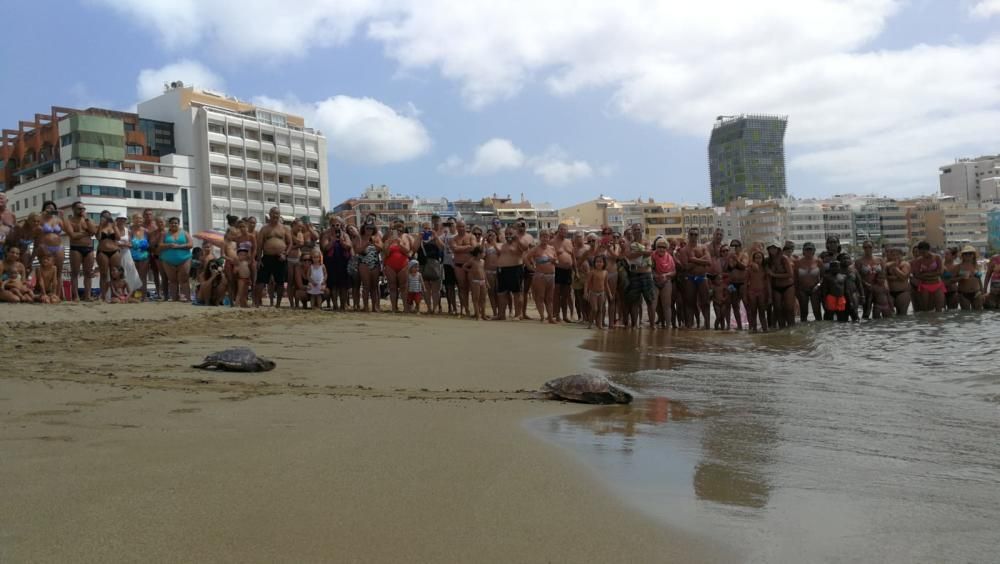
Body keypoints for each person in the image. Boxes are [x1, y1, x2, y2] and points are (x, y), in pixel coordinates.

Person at [255, 207, 291, 308]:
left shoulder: (284, 228)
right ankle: (257, 303)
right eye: (273, 213)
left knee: (280, 282)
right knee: (261, 281)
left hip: (281, 258)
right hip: (267, 257)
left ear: (279, 215)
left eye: (277, 213)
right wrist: (258, 259)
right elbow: (260, 245)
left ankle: (278, 304)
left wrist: (285, 254)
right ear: (270, 214)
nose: (275, 215)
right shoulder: (264, 228)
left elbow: (290, 243)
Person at [676, 227, 711, 329]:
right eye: (691, 234)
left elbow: (709, 262)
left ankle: (707, 325)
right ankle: (690, 325)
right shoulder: (684, 250)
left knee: (705, 302)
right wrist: (701, 261)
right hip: (690, 277)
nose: (693, 236)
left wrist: (694, 260)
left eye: (695, 234)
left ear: (698, 236)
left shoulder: (703, 247)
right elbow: (686, 267)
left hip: (702, 277)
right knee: (689, 302)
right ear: (688, 235)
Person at [624, 223, 656, 329]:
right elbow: (628, 255)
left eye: (638, 229)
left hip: (646, 274)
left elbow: (649, 253)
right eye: (635, 229)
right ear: (632, 231)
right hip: (634, 274)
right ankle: (634, 325)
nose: (637, 231)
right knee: (634, 301)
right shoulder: (629, 244)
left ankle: (652, 325)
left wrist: (638, 252)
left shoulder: (647, 241)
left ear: (641, 230)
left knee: (650, 301)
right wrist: (642, 251)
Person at [65, 202, 97, 301]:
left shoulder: (88, 220)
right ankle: (76, 296)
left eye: (83, 208)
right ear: (73, 209)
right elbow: (72, 236)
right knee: (75, 273)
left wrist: (86, 220)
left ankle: (87, 295)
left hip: (88, 248)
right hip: (76, 248)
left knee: (88, 272)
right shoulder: (69, 221)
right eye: (79, 208)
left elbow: (93, 232)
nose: (82, 210)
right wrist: (86, 233)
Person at [321, 215, 353, 311]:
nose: (335, 227)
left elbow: (349, 246)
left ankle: (343, 305)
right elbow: (325, 247)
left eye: (337, 225)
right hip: (331, 263)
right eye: (333, 225)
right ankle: (335, 305)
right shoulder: (326, 234)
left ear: (341, 225)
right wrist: (333, 240)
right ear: (330, 225)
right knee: (333, 285)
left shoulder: (345, 235)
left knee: (343, 286)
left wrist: (342, 243)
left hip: (343, 262)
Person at [495, 226, 528, 320]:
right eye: (506, 234)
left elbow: (525, 247)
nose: (508, 236)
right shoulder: (504, 245)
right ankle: (501, 315)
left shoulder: (519, 243)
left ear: (515, 234)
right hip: (502, 271)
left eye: (510, 234)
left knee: (517, 293)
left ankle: (518, 314)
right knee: (501, 293)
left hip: (515, 269)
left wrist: (517, 239)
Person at [526, 229, 558, 323]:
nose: (545, 238)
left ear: (549, 238)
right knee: (540, 296)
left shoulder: (552, 248)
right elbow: (526, 258)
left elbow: (556, 261)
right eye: (543, 236)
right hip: (541, 276)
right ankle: (542, 317)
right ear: (540, 237)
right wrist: (531, 268)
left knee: (550, 298)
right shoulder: (536, 249)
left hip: (551, 275)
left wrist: (554, 261)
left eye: (546, 236)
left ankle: (550, 317)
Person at [158, 217, 193, 301]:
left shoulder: (184, 233)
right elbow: (160, 245)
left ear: (178, 224)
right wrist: (169, 245)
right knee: (172, 280)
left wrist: (179, 246)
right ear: (169, 224)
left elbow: (191, 244)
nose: (173, 224)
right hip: (167, 260)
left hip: (184, 259)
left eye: (175, 223)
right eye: (172, 223)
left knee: (184, 279)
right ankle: (174, 298)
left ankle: (186, 297)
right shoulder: (164, 233)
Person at [385, 219, 415, 313]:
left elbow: (408, 251)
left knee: (404, 287)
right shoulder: (389, 238)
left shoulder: (406, 237)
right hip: (390, 265)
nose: (398, 232)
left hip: (403, 264)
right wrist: (390, 243)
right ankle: (394, 307)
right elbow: (386, 253)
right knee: (392, 287)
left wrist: (399, 243)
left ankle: (406, 308)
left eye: (400, 230)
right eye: (396, 229)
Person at [416, 221, 444, 314]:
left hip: (434, 264)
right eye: (425, 228)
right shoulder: (420, 238)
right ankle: (429, 307)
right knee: (426, 288)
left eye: (429, 228)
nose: (427, 230)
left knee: (436, 289)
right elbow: (414, 248)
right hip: (423, 264)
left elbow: (442, 248)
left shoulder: (435, 238)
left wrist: (435, 237)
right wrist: (419, 238)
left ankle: (435, 308)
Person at [766, 241, 795, 329]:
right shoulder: (768, 260)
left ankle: (792, 328)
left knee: (789, 309)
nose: (772, 249)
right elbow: (768, 277)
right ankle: (782, 329)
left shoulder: (784, 258)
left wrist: (774, 275)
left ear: (778, 249)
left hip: (788, 286)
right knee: (777, 309)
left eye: (774, 247)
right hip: (776, 287)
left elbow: (790, 274)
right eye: (770, 248)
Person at [450, 219, 477, 317]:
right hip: (459, 265)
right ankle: (465, 308)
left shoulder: (471, 236)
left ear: (466, 227)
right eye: (459, 226)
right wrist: (467, 247)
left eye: (463, 226)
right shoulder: (453, 238)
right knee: (462, 287)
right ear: (456, 227)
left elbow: (474, 248)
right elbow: (454, 249)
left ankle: (476, 309)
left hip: (470, 265)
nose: (461, 228)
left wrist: (460, 248)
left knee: (473, 287)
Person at [910, 241, 945, 312]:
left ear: (929, 250)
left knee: (939, 309)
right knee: (926, 310)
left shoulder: (937, 257)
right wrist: (933, 274)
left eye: (924, 252)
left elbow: (940, 272)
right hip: (925, 286)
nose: (922, 254)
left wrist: (926, 274)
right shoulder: (919, 260)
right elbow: (917, 275)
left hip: (937, 284)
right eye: (921, 252)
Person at [95, 211, 123, 299]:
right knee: (103, 274)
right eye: (104, 216)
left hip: (114, 251)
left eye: (108, 216)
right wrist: (100, 225)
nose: (107, 218)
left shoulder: (114, 226)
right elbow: (98, 237)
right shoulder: (99, 226)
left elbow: (118, 237)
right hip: (102, 251)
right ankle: (103, 295)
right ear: (101, 217)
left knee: (115, 275)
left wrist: (114, 225)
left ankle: (114, 295)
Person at [357, 219, 382, 312]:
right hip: (363, 263)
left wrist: (374, 243)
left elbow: (381, 248)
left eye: (371, 228)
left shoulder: (377, 237)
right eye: (367, 228)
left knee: (374, 287)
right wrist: (365, 245)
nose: (369, 230)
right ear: (364, 228)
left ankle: (374, 306)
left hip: (375, 263)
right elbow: (357, 250)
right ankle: (366, 306)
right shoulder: (359, 237)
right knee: (366, 286)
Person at [854, 241, 883, 319]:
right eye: (865, 247)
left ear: (873, 247)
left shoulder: (879, 260)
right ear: (863, 248)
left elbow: (883, 274)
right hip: (866, 288)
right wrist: (865, 284)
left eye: (870, 247)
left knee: (880, 310)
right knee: (866, 311)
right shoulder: (859, 261)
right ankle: (866, 329)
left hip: (878, 287)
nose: (868, 249)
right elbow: (857, 276)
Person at [551, 224, 574, 322]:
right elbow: (549, 255)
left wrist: (576, 270)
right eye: (561, 230)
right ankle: (556, 315)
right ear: (558, 230)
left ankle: (565, 315)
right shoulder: (552, 242)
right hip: (557, 270)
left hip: (568, 270)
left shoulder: (569, 242)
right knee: (556, 294)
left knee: (566, 294)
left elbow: (573, 256)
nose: (563, 231)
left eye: (565, 230)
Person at [652, 237, 676, 329]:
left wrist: (666, 275)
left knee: (667, 306)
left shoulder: (669, 257)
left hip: (666, 281)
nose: (661, 249)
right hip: (654, 281)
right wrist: (655, 275)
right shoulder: (652, 256)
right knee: (653, 305)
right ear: (656, 247)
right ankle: (652, 325)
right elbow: (649, 269)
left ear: (666, 248)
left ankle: (668, 326)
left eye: (663, 247)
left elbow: (674, 272)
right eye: (659, 247)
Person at [126, 213, 151, 300]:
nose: (139, 220)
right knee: (133, 276)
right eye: (136, 218)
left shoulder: (146, 231)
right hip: (132, 256)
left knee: (143, 277)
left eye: (140, 219)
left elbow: (150, 244)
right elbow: (128, 242)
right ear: (133, 219)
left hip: (144, 256)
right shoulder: (129, 231)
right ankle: (133, 295)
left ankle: (143, 295)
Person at [746, 250, 769, 332]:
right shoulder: (749, 269)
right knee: (753, 312)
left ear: (763, 259)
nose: (758, 259)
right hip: (752, 292)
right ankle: (754, 329)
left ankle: (765, 329)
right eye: (756, 258)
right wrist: (746, 296)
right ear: (753, 259)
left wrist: (768, 295)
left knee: (762, 312)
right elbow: (745, 283)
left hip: (762, 292)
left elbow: (767, 283)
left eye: (760, 258)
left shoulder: (765, 269)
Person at [586, 255, 611, 329]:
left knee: (600, 309)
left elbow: (606, 284)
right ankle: (590, 324)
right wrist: (585, 292)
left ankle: (599, 325)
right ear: (594, 263)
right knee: (594, 309)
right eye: (597, 262)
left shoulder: (605, 272)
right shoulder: (592, 272)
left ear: (604, 263)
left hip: (602, 293)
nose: (599, 263)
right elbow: (587, 282)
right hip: (593, 292)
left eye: (600, 262)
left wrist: (609, 293)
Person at [885, 247, 912, 316]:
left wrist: (895, 268)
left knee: (902, 315)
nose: (895, 256)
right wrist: (895, 277)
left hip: (902, 292)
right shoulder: (886, 264)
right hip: (889, 293)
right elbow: (882, 277)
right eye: (893, 255)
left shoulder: (905, 264)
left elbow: (903, 277)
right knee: (887, 315)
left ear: (901, 255)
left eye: (897, 255)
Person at [956, 246, 984, 310]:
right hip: (963, 294)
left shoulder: (977, 266)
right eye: (966, 254)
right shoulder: (958, 267)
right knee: (966, 315)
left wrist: (983, 293)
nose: (968, 255)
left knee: (977, 315)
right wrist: (961, 277)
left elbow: (979, 280)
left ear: (973, 255)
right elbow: (951, 281)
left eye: (970, 253)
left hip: (977, 292)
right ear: (962, 256)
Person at [464, 246, 488, 320]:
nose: (484, 254)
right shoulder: (472, 260)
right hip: (475, 281)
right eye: (483, 253)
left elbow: (484, 272)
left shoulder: (483, 261)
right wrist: (470, 271)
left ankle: (483, 315)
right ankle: (477, 315)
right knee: (476, 298)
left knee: (483, 298)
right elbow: (464, 266)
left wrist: (487, 282)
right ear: (478, 254)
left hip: (483, 281)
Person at [710, 245, 731, 330]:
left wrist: (724, 299)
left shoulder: (731, 259)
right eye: (723, 251)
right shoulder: (716, 261)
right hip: (717, 301)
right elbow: (711, 295)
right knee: (719, 316)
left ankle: (726, 327)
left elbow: (727, 293)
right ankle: (717, 330)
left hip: (730, 285)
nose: (725, 252)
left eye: (727, 250)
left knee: (725, 313)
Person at [482, 230, 501, 319]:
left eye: (493, 235)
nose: (492, 236)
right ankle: (494, 312)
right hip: (488, 271)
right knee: (491, 292)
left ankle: (500, 312)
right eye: (489, 235)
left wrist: (495, 244)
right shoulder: (485, 245)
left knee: (499, 292)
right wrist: (483, 241)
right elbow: (482, 255)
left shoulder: (500, 244)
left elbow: (501, 254)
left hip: (498, 271)